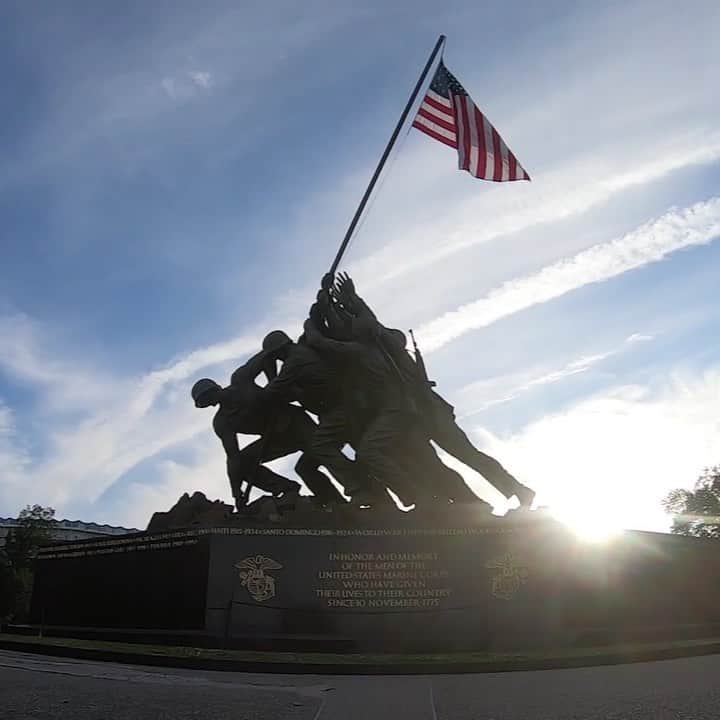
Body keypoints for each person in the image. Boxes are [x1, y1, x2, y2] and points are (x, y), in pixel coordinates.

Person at [192, 348, 318, 511]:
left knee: (322, 455)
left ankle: (344, 498)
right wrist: (236, 492)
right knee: (243, 464)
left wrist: (273, 384)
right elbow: (233, 458)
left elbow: (268, 354)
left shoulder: (241, 380)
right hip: (277, 439)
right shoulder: (223, 422)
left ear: (215, 389)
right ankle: (286, 489)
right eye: (205, 401)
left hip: (296, 423)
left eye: (208, 397)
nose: (210, 401)